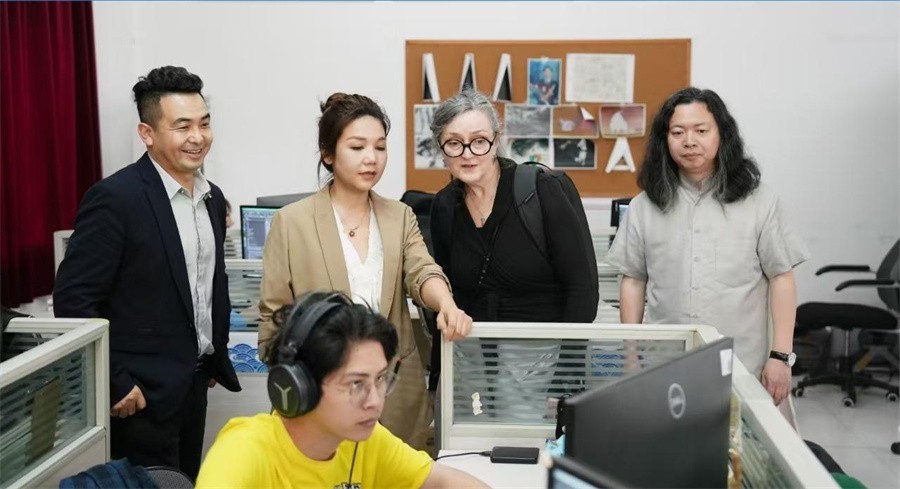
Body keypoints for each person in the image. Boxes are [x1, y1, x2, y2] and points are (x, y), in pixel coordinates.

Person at [53, 66, 241, 479]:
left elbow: (210, 285)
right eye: (182, 126)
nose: (198, 137)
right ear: (147, 133)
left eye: (204, 123)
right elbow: (74, 301)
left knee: (185, 481)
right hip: (138, 395)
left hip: (193, 384)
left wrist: (213, 356)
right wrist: (113, 381)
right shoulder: (116, 199)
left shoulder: (211, 198)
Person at [258, 93, 472, 452]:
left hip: (394, 393)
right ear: (328, 154)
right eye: (357, 147)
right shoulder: (291, 222)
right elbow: (273, 316)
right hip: (321, 393)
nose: (371, 158)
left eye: (380, 147)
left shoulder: (399, 216)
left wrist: (446, 303)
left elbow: (422, 270)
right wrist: (295, 379)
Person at [606, 87, 809, 405]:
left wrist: (781, 356)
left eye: (701, 131)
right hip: (664, 362)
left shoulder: (760, 202)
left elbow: (781, 277)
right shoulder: (644, 206)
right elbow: (633, 280)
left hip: (740, 362)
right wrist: (630, 356)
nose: (689, 141)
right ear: (665, 140)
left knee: (736, 435)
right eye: (677, 132)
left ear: (722, 135)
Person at [197, 292, 488, 489]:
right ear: (302, 384)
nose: (375, 401)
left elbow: (444, 482)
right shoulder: (243, 452)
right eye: (356, 384)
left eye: (380, 379)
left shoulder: (365, 440)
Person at [430, 89, 598, 324]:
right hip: (471, 344)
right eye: (454, 143)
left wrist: (567, 347)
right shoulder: (444, 205)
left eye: (479, 141)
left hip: (545, 344)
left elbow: (582, 289)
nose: (467, 154)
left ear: (496, 141)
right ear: (441, 148)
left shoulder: (542, 191)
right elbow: (445, 292)